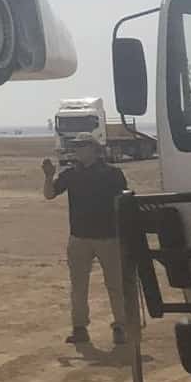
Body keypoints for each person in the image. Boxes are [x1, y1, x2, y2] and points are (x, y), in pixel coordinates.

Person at [42, 138, 130, 347]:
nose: (78, 151)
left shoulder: (112, 174)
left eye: (83, 147)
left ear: (94, 150)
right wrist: (48, 176)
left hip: (108, 237)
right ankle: (79, 328)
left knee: (116, 285)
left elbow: (124, 202)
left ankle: (121, 327)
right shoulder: (71, 174)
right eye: (76, 148)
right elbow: (49, 194)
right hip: (79, 238)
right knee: (78, 286)